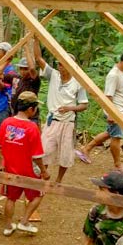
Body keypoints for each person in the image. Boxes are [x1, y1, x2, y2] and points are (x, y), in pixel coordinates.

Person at [77, 48, 123, 175]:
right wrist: (112, 113)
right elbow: (108, 96)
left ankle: (86, 149)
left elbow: (122, 91)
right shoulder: (114, 75)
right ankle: (118, 165)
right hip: (115, 111)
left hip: (120, 110)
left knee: (109, 133)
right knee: (116, 137)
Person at [0, 91, 50, 237]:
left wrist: (5, 158)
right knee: (39, 194)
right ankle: (24, 221)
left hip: (10, 169)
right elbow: (37, 155)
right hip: (28, 170)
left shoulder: (6, 123)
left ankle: (8, 226)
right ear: (31, 109)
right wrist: (44, 171)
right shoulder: (32, 128)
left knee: (11, 198)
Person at [36, 40, 89, 183]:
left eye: (64, 64)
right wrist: (36, 39)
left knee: (65, 154)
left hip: (67, 122)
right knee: (44, 149)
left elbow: (84, 105)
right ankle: (43, 175)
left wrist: (70, 108)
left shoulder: (78, 82)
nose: (60, 67)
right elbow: (39, 59)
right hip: (52, 120)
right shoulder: (53, 75)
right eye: (59, 64)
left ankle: (58, 180)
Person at [12, 57, 41, 124]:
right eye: (21, 68)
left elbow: (32, 69)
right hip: (17, 116)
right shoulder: (17, 78)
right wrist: (7, 60)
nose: (23, 71)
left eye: (25, 69)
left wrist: (26, 47)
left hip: (31, 118)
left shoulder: (34, 81)